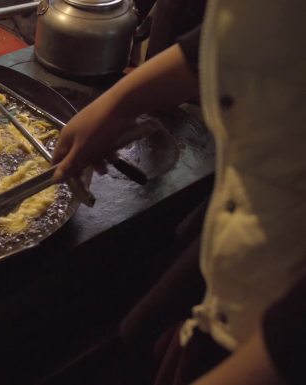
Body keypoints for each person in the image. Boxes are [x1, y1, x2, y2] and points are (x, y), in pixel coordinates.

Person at [51, 1, 306, 384]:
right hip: (248, 242)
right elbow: (254, 32)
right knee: (142, 338)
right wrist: (119, 103)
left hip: (282, 328)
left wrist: (260, 361)